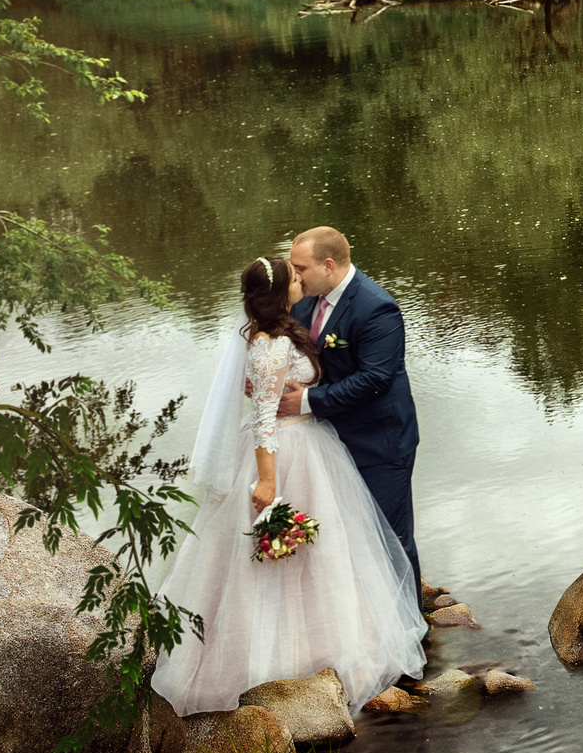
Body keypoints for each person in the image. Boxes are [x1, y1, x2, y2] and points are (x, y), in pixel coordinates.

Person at [149, 256, 423, 717]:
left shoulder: (274, 331)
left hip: (306, 445)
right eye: (294, 276)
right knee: (292, 553)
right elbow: (262, 418)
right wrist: (268, 481)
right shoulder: (271, 343)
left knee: (317, 549)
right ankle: (290, 663)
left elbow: (260, 390)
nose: (302, 279)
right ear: (280, 293)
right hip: (287, 453)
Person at [279, 226, 424, 587]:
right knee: (346, 534)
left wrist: (307, 401)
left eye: (301, 268)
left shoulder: (377, 308)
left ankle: (412, 630)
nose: (294, 276)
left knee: (391, 536)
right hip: (329, 441)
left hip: (380, 443)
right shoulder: (306, 298)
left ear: (328, 265)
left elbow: (375, 380)